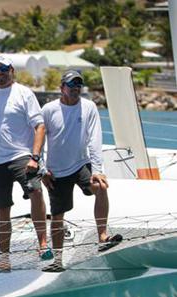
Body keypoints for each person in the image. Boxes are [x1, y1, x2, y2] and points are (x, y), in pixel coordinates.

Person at [41, 70, 122, 271]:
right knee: (58, 215)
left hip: (81, 164)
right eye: (71, 84)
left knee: (100, 187)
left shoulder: (89, 107)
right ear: (62, 88)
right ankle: (58, 261)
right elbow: (38, 139)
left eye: (79, 85)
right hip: (56, 171)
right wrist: (42, 169)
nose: (76, 88)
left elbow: (95, 138)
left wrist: (97, 170)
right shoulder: (49, 109)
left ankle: (103, 236)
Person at [0, 55, 51, 272]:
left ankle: (43, 244)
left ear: (12, 70)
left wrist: (35, 157)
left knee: (36, 193)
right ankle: (4, 258)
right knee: (2, 209)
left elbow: (40, 126)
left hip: (22, 156)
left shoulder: (24, 93)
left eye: (3, 68)